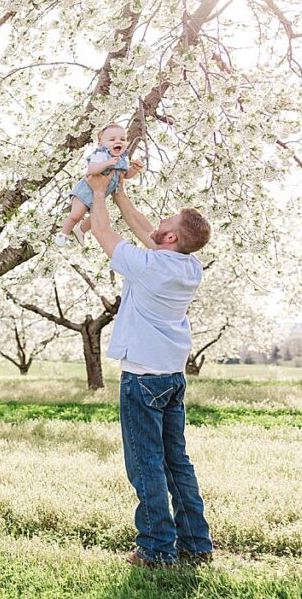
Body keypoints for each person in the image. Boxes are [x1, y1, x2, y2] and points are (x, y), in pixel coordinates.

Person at [85, 170, 215, 568]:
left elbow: (103, 233)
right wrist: (121, 194)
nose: (159, 222)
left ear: (172, 238)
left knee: (146, 463)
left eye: (167, 222)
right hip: (171, 377)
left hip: (142, 378)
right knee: (176, 460)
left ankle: (156, 548)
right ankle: (196, 542)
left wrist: (98, 193)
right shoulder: (188, 267)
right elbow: (147, 233)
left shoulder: (150, 267)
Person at [56, 123, 142, 246]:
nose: (118, 142)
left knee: (99, 216)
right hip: (85, 191)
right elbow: (92, 170)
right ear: (101, 144)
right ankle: (63, 233)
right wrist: (107, 163)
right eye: (112, 139)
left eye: (122, 139)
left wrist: (134, 169)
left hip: (99, 195)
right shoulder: (101, 154)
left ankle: (80, 230)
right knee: (76, 215)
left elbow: (125, 175)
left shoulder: (123, 158)